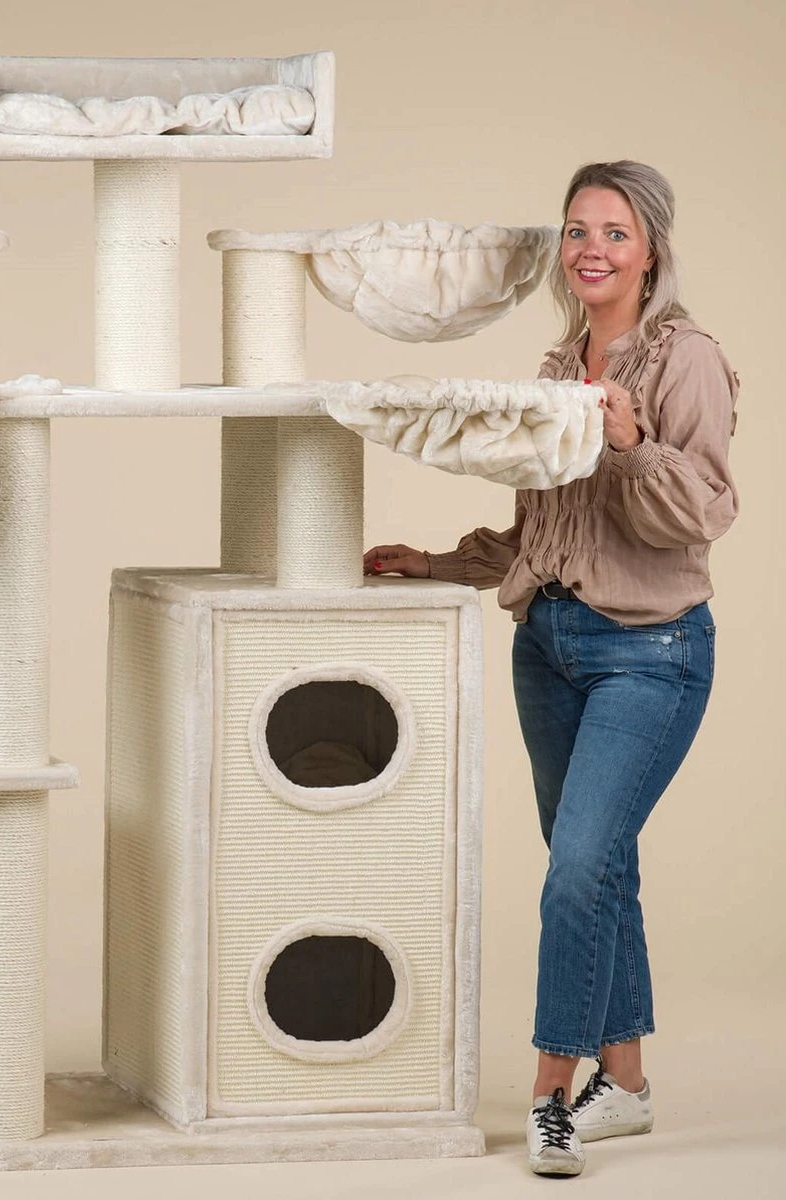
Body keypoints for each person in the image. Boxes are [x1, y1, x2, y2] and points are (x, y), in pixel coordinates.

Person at [364, 161, 739, 1178]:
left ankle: (552, 1099)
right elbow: (545, 531)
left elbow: (704, 513)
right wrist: (437, 563)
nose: (591, 250)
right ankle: (629, 1084)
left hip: (650, 654)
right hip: (549, 647)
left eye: (614, 232)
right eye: (578, 230)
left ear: (650, 250)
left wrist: (628, 442)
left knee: (577, 868)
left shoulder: (688, 359)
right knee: (600, 866)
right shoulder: (557, 365)